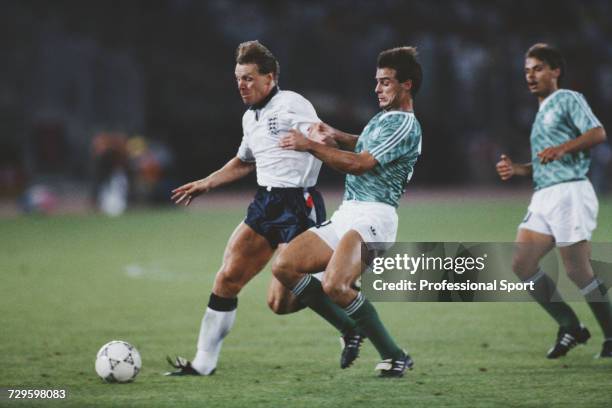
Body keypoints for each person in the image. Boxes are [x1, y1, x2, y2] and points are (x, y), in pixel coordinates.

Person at [166, 41, 361, 376]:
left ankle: (343, 302)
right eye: (238, 78)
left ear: (269, 78)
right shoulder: (250, 117)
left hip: (299, 204)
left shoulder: (291, 104)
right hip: (266, 204)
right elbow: (244, 162)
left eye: (249, 78)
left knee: (279, 303)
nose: (242, 85)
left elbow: (317, 134)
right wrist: (206, 183)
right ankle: (203, 362)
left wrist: (316, 138)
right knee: (227, 277)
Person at [272, 46, 423, 377]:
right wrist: (334, 134)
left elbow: (361, 164)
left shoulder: (405, 124)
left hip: (374, 219)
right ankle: (350, 329)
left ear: (407, 85)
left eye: (385, 82)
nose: (377, 88)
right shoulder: (386, 119)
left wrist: (312, 145)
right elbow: (363, 145)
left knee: (336, 286)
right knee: (285, 267)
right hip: (348, 215)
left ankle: (395, 355)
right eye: (377, 81)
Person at [496, 43, 611, 358]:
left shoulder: (567, 99)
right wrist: (519, 169)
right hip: (545, 195)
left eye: (538, 69)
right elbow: (547, 160)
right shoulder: (542, 110)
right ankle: (571, 326)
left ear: (555, 71)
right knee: (522, 263)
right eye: (527, 71)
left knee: (577, 270)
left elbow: (598, 133)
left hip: (570, 192)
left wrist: (563, 148)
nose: (531, 76)